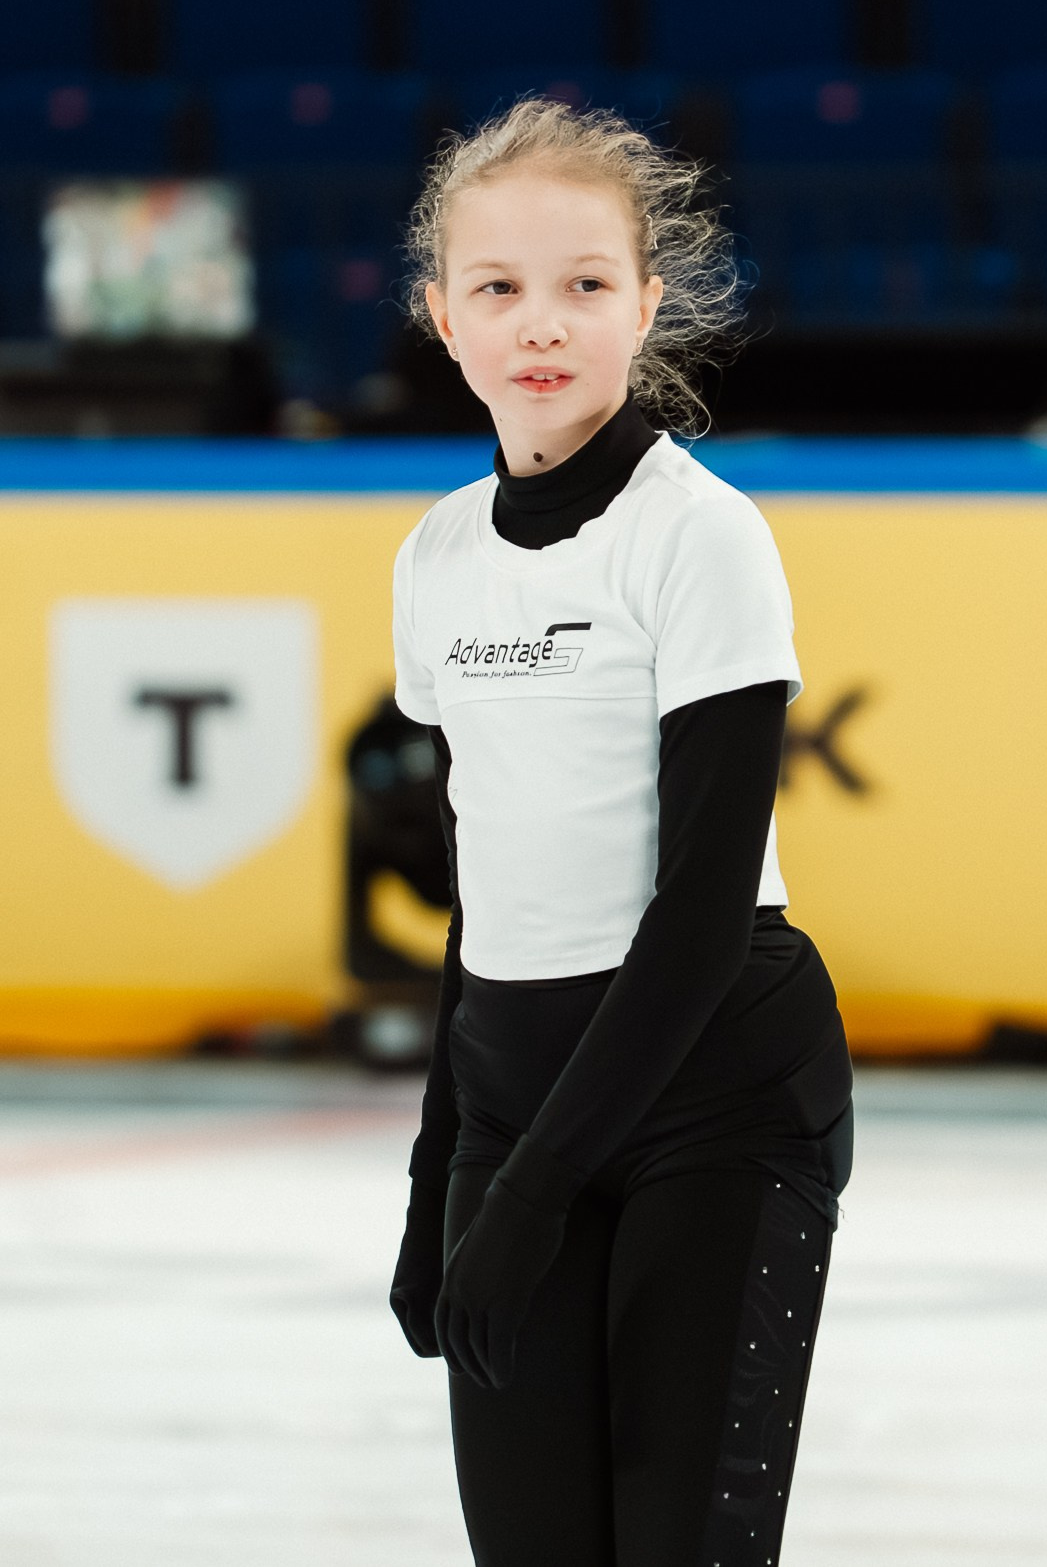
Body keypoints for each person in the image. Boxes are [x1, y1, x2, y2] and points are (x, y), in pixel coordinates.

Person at [383, 98, 855, 1567]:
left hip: (715, 1098)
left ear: (648, 303)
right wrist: (438, 1177)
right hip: (516, 1103)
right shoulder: (438, 554)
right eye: (500, 286)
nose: (544, 322)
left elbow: (702, 911)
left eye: (587, 283)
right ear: (440, 314)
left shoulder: (698, 535)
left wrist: (525, 1196)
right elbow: (492, 884)